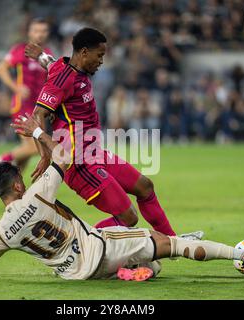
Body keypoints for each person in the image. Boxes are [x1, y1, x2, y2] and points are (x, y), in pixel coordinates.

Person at [0, 116, 244, 281]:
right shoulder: (36, 196)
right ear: (19, 186)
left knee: (151, 265)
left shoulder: (0, 233)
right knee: (168, 244)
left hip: (74, 274)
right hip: (99, 248)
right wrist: (38, 133)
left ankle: (130, 271)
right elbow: (63, 154)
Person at [25, 28, 179, 237]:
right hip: (78, 163)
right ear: (85, 53)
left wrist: (40, 55)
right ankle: (79, 249)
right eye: (100, 55)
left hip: (95, 153)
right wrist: (45, 155)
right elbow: (38, 113)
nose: (101, 61)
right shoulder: (63, 80)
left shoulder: (65, 66)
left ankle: (171, 241)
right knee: (128, 218)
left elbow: (50, 63)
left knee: (145, 187)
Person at [0, 18, 54, 171]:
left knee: (37, 151)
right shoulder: (21, 50)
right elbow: (1, 69)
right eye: (36, 31)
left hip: (39, 109)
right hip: (22, 105)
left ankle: (16, 186)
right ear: (29, 32)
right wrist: (16, 87)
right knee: (34, 148)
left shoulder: (48, 53)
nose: (40, 34)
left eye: (43, 31)